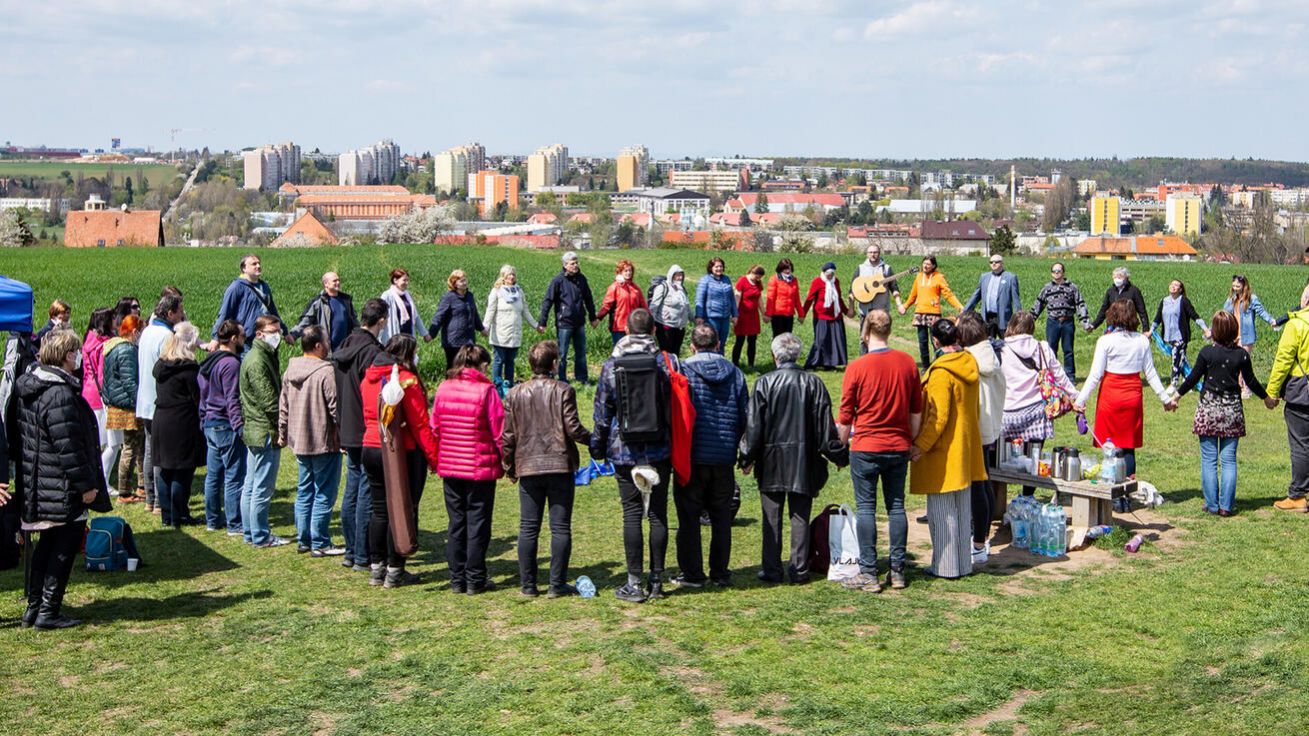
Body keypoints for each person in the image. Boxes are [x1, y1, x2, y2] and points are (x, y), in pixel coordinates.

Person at [13, 329, 112, 629]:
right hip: (59, 485)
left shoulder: (31, 387)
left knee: (47, 544)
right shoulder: (59, 394)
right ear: (68, 356)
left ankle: (35, 606)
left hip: (38, 482)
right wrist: (86, 487)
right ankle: (48, 610)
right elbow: (69, 447)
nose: (79, 358)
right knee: (63, 546)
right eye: (76, 353)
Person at [740, 332, 847, 584]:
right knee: (799, 515)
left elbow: (753, 427)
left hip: (771, 460)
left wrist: (746, 457)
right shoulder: (813, 383)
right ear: (796, 354)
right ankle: (799, 569)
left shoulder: (764, 383)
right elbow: (825, 429)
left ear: (775, 355)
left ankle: (771, 569)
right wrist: (838, 455)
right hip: (803, 459)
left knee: (771, 517)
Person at [591, 308, 679, 603]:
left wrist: (598, 447)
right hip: (660, 447)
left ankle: (634, 582)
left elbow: (603, 413)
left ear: (626, 331)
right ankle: (656, 581)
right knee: (657, 514)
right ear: (654, 331)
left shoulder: (612, 364)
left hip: (624, 449)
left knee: (632, 514)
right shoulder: (666, 362)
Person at [837, 310, 922, 592]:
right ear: (888, 330)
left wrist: (840, 442)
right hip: (897, 445)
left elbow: (846, 414)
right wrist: (910, 440)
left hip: (866, 447)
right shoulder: (907, 363)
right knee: (896, 506)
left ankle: (869, 572)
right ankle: (897, 570)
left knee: (866, 508)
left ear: (865, 331)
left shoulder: (857, 367)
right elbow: (916, 411)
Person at [502, 340, 591, 598]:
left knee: (528, 527)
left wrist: (509, 466)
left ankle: (528, 585)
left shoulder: (515, 394)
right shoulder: (563, 390)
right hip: (558, 464)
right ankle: (556, 584)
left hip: (528, 466)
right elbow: (573, 428)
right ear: (554, 364)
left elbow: (508, 436)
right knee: (560, 527)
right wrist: (595, 440)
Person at [1174, 311, 1275, 517]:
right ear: (1234, 330)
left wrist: (1176, 396)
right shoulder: (1241, 355)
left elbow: (1192, 378)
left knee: (1209, 459)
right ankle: (1226, 506)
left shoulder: (1206, 353)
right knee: (1229, 460)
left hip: (1208, 410)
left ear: (1215, 331)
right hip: (1232, 411)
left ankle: (1211, 505)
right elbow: (1252, 381)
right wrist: (1266, 398)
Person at [360, 335, 441, 588]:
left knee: (379, 509)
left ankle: (377, 567)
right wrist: (434, 458)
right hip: (400, 451)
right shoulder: (406, 380)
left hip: (371, 445)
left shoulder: (369, 377)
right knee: (403, 509)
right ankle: (396, 568)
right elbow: (419, 424)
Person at [911, 319, 987, 579]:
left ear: (935, 341)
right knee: (962, 510)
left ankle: (946, 566)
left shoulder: (942, 372)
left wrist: (920, 446)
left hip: (943, 452)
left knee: (942, 512)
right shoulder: (969, 363)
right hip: (965, 447)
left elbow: (938, 417)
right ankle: (964, 564)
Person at [675, 324, 748, 589]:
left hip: (692, 454)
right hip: (723, 455)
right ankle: (720, 571)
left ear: (692, 346)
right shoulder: (736, 374)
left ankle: (692, 572)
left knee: (689, 516)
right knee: (721, 518)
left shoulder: (683, 371)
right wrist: (743, 451)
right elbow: (745, 415)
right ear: (718, 344)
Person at [431, 344, 505, 594]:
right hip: (479, 468)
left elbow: (435, 427)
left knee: (456, 523)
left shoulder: (443, 388)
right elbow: (499, 432)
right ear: (481, 364)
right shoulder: (486, 391)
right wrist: (507, 462)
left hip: (451, 466)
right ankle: (475, 578)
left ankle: (457, 578)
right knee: (478, 524)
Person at [1074, 300, 1175, 480]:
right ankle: (1127, 490)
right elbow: (1150, 373)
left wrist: (1080, 401)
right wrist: (1165, 399)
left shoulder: (1105, 341)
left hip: (1110, 394)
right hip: (1132, 395)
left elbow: (1095, 375)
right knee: (1128, 446)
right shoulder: (1142, 340)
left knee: (1110, 445)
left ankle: (1113, 489)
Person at [278, 326, 343, 556]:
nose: (328, 345)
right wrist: (343, 436)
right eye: (326, 341)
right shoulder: (326, 372)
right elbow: (335, 407)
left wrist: (282, 433)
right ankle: (320, 541)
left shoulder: (289, 370)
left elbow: (283, 406)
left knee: (304, 490)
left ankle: (304, 539)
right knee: (324, 491)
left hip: (300, 440)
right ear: (318, 346)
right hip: (323, 441)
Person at [332, 298, 387, 571]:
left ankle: (351, 550)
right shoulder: (371, 352)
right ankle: (364, 553)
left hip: (347, 425)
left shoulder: (343, 345)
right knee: (367, 490)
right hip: (366, 427)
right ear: (382, 321)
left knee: (352, 488)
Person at [1001, 311, 1078, 496]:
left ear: (1011, 326)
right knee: (1034, 459)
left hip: (1008, 412)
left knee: (1000, 460)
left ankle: (996, 499)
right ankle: (1027, 496)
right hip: (1037, 413)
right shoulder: (1042, 347)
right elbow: (1060, 375)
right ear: (1031, 327)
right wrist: (1076, 396)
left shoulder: (1001, 349)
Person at [958, 312, 1006, 563]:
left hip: (975, 428)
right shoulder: (992, 355)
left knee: (977, 486)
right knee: (983, 482)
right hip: (990, 428)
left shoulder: (969, 361)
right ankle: (980, 539)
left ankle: (977, 541)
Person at [239, 315, 287, 548]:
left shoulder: (262, 355)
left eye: (278, 329)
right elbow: (269, 401)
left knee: (251, 483)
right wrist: (281, 426)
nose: (276, 334)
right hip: (263, 430)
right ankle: (259, 534)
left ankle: (251, 532)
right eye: (272, 330)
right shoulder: (258, 360)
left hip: (255, 429)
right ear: (259, 334)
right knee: (261, 487)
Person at [151, 322, 206, 528]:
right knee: (183, 470)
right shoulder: (189, 370)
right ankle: (180, 513)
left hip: (161, 419)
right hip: (182, 421)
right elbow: (197, 398)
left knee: (165, 469)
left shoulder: (161, 365)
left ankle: (167, 515)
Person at [137, 288, 184, 515]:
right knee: (160, 454)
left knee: (149, 450)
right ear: (171, 313)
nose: (182, 316)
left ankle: (149, 498)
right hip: (160, 401)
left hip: (144, 399)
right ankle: (159, 502)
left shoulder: (147, 331)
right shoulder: (167, 336)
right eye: (180, 311)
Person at [197, 320, 245, 535]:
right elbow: (232, 398)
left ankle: (213, 520)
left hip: (210, 423)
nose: (244, 339)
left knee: (213, 476)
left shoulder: (209, 361)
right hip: (226, 424)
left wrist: (203, 418)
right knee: (234, 476)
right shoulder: (231, 364)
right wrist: (239, 427)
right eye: (242, 336)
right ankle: (235, 523)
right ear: (233, 339)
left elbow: (203, 394)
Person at [1266, 288, 1309, 512]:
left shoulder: (1297, 324)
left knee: (1301, 444)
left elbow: (1283, 360)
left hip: (1303, 392)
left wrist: (1272, 392)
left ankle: (1298, 496)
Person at [101, 315, 145, 503]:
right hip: (127, 406)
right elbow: (129, 381)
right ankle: (125, 491)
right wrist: (139, 402)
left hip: (117, 403)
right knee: (130, 448)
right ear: (134, 332)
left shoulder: (113, 347)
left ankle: (137, 487)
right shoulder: (127, 350)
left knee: (130, 447)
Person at [538, 251, 597, 384]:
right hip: (564, 323)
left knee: (581, 353)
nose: (575, 265)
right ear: (565, 265)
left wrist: (592, 317)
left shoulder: (581, 279)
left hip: (579, 322)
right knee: (562, 354)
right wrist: (543, 321)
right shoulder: (558, 281)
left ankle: (582, 378)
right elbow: (548, 301)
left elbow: (588, 299)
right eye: (572, 263)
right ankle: (562, 379)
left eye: (576, 263)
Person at [485, 264, 543, 394]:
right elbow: (490, 310)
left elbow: (525, 311)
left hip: (514, 333)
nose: (511, 277)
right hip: (500, 333)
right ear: (503, 277)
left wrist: (536, 325)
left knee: (510, 360)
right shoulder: (497, 291)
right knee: (499, 360)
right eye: (508, 274)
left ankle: (509, 386)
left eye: (513, 274)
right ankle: (496, 387)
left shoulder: (519, 291)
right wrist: (485, 327)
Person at [898, 255, 963, 370]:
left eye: (928, 264)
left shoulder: (939, 277)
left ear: (933, 265)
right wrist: (905, 306)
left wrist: (959, 307)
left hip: (934, 314)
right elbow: (913, 295)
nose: (925, 266)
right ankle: (925, 367)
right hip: (920, 314)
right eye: (924, 263)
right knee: (922, 342)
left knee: (936, 342)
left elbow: (949, 294)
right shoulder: (918, 277)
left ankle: (939, 365)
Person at [1030, 262, 1089, 381]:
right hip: (1053, 322)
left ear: (1063, 272)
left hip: (1067, 322)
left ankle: (1070, 377)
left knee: (1068, 350)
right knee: (1051, 350)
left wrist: (1084, 322)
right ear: (1051, 273)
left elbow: (1080, 304)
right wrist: (1030, 320)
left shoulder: (1072, 287)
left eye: (1059, 271)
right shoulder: (1047, 288)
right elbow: (1039, 303)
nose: (1056, 273)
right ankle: (1052, 376)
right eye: (1054, 271)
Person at [211, 254, 283, 349]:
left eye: (259, 263)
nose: (258, 266)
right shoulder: (236, 287)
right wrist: (216, 338)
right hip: (245, 342)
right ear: (244, 268)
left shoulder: (264, 286)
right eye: (254, 264)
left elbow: (273, 312)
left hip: (264, 339)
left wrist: (285, 332)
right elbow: (224, 314)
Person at [1224, 275, 1279, 394]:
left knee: (1243, 362)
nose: (1235, 288)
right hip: (1234, 334)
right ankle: (1238, 386)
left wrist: (1271, 321)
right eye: (1233, 286)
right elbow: (1224, 314)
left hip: (1247, 335)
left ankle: (1247, 388)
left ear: (1244, 285)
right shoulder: (1231, 299)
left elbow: (1261, 311)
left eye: (1238, 286)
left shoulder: (1251, 298)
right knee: (1235, 362)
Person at [1151, 279, 1208, 387]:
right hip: (1169, 336)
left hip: (1181, 336)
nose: (1173, 286)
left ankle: (1174, 383)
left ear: (1180, 289)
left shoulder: (1184, 301)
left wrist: (1205, 328)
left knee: (1176, 357)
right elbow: (1158, 318)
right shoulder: (1164, 301)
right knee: (1182, 360)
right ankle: (1189, 382)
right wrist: (1151, 331)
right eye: (1172, 284)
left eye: (1176, 285)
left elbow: (1194, 315)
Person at [81, 307, 115, 485]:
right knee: (110, 442)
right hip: (100, 395)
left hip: (87, 391)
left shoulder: (88, 340)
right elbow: (103, 374)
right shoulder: (104, 344)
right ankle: (103, 480)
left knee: (94, 441)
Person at [850, 244, 903, 355]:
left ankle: (879, 360)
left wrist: (899, 305)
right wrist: (851, 307)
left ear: (879, 253)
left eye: (875, 252)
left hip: (881, 310)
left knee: (880, 338)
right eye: (871, 252)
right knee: (864, 337)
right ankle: (863, 361)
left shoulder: (886, 269)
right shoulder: (860, 268)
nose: (873, 255)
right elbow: (853, 289)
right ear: (867, 254)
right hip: (865, 310)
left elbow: (894, 288)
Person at [430, 269, 486, 370]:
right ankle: (450, 385)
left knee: (467, 368)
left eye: (465, 280)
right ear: (454, 283)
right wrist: (431, 334)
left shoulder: (469, 296)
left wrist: (481, 328)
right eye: (461, 281)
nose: (464, 283)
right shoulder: (449, 297)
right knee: (453, 368)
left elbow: (475, 315)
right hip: (453, 341)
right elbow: (439, 316)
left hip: (468, 339)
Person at [290, 271, 358, 352]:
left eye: (339, 280)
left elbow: (354, 322)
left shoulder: (346, 301)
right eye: (335, 281)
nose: (338, 282)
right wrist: (293, 335)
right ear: (326, 284)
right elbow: (305, 321)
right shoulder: (318, 302)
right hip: (326, 351)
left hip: (344, 350)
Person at [802, 262, 850, 370]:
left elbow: (839, 298)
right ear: (823, 272)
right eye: (828, 273)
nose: (830, 275)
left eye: (832, 273)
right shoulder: (817, 282)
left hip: (835, 315)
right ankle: (811, 363)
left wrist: (846, 311)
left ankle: (829, 364)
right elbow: (810, 298)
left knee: (833, 340)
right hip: (821, 315)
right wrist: (803, 313)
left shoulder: (836, 282)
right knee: (820, 340)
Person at [963, 254, 1021, 337]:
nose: (993, 264)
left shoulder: (1010, 278)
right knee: (988, 344)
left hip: (1003, 318)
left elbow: (1016, 299)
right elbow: (976, 296)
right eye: (991, 262)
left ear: (1002, 263)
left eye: (996, 262)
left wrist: (1019, 317)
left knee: (1006, 344)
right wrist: (965, 311)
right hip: (987, 318)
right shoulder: (984, 277)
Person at [597, 259, 648, 346]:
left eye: (630, 270)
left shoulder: (636, 289)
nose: (628, 273)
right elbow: (607, 305)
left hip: (634, 326)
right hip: (619, 327)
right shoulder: (614, 287)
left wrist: (650, 321)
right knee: (620, 354)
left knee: (634, 353)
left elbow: (644, 307)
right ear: (620, 272)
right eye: (625, 271)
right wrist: (598, 318)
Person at [694, 257, 737, 353]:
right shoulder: (705, 280)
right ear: (711, 268)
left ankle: (720, 363)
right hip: (711, 318)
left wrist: (735, 314)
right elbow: (699, 299)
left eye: (721, 266)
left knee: (721, 343)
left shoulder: (726, 279)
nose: (719, 269)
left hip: (725, 318)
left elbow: (732, 298)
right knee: (711, 343)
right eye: (716, 267)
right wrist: (699, 316)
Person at [1088, 266, 1148, 334]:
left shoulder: (1134, 291)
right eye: (1115, 277)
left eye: (1120, 276)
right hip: (1112, 327)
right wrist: (1094, 325)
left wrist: (1145, 329)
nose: (1117, 279)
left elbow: (1142, 312)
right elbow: (1104, 310)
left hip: (1129, 328)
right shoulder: (1110, 291)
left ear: (1126, 277)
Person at [650, 264, 692, 355]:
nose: (680, 278)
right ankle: (666, 368)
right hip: (665, 326)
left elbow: (687, 306)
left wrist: (694, 319)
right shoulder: (663, 287)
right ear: (671, 275)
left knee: (676, 353)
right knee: (666, 353)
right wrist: (651, 324)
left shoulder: (682, 289)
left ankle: (675, 368)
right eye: (677, 275)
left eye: (681, 275)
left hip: (680, 328)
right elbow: (654, 307)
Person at [379, 268, 429, 344]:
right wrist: (377, 339)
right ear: (395, 280)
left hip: (408, 336)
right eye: (404, 280)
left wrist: (424, 334)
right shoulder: (387, 296)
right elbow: (380, 318)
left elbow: (415, 316)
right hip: (394, 337)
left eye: (407, 280)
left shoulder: (407, 295)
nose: (407, 283)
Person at [732, 265, 765, 370]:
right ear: (752, 272)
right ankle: (735, 364)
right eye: (757, 276)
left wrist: (764, 313)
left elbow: (759, 299)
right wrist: (735, 314)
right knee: (740, 340)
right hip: (742, 315)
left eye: (760, 277)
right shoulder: (742, 281)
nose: (758, 279)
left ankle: (751, 364)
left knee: (752, 341)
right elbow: (737, 298)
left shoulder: (758, 283)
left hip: (753, 316)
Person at [764, 258, 804, 340]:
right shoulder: (774, 279)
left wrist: (801, 314)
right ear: (780, 269)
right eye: (785, 268)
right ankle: (775, 353)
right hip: (777, 315)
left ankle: (786, 354)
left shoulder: (794, 280)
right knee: (777, 339)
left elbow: (797, 298)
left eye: (789, 268)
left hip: (789, 315)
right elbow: (770, 298)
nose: (787, 271)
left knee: (788, 339)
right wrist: (768, 314)